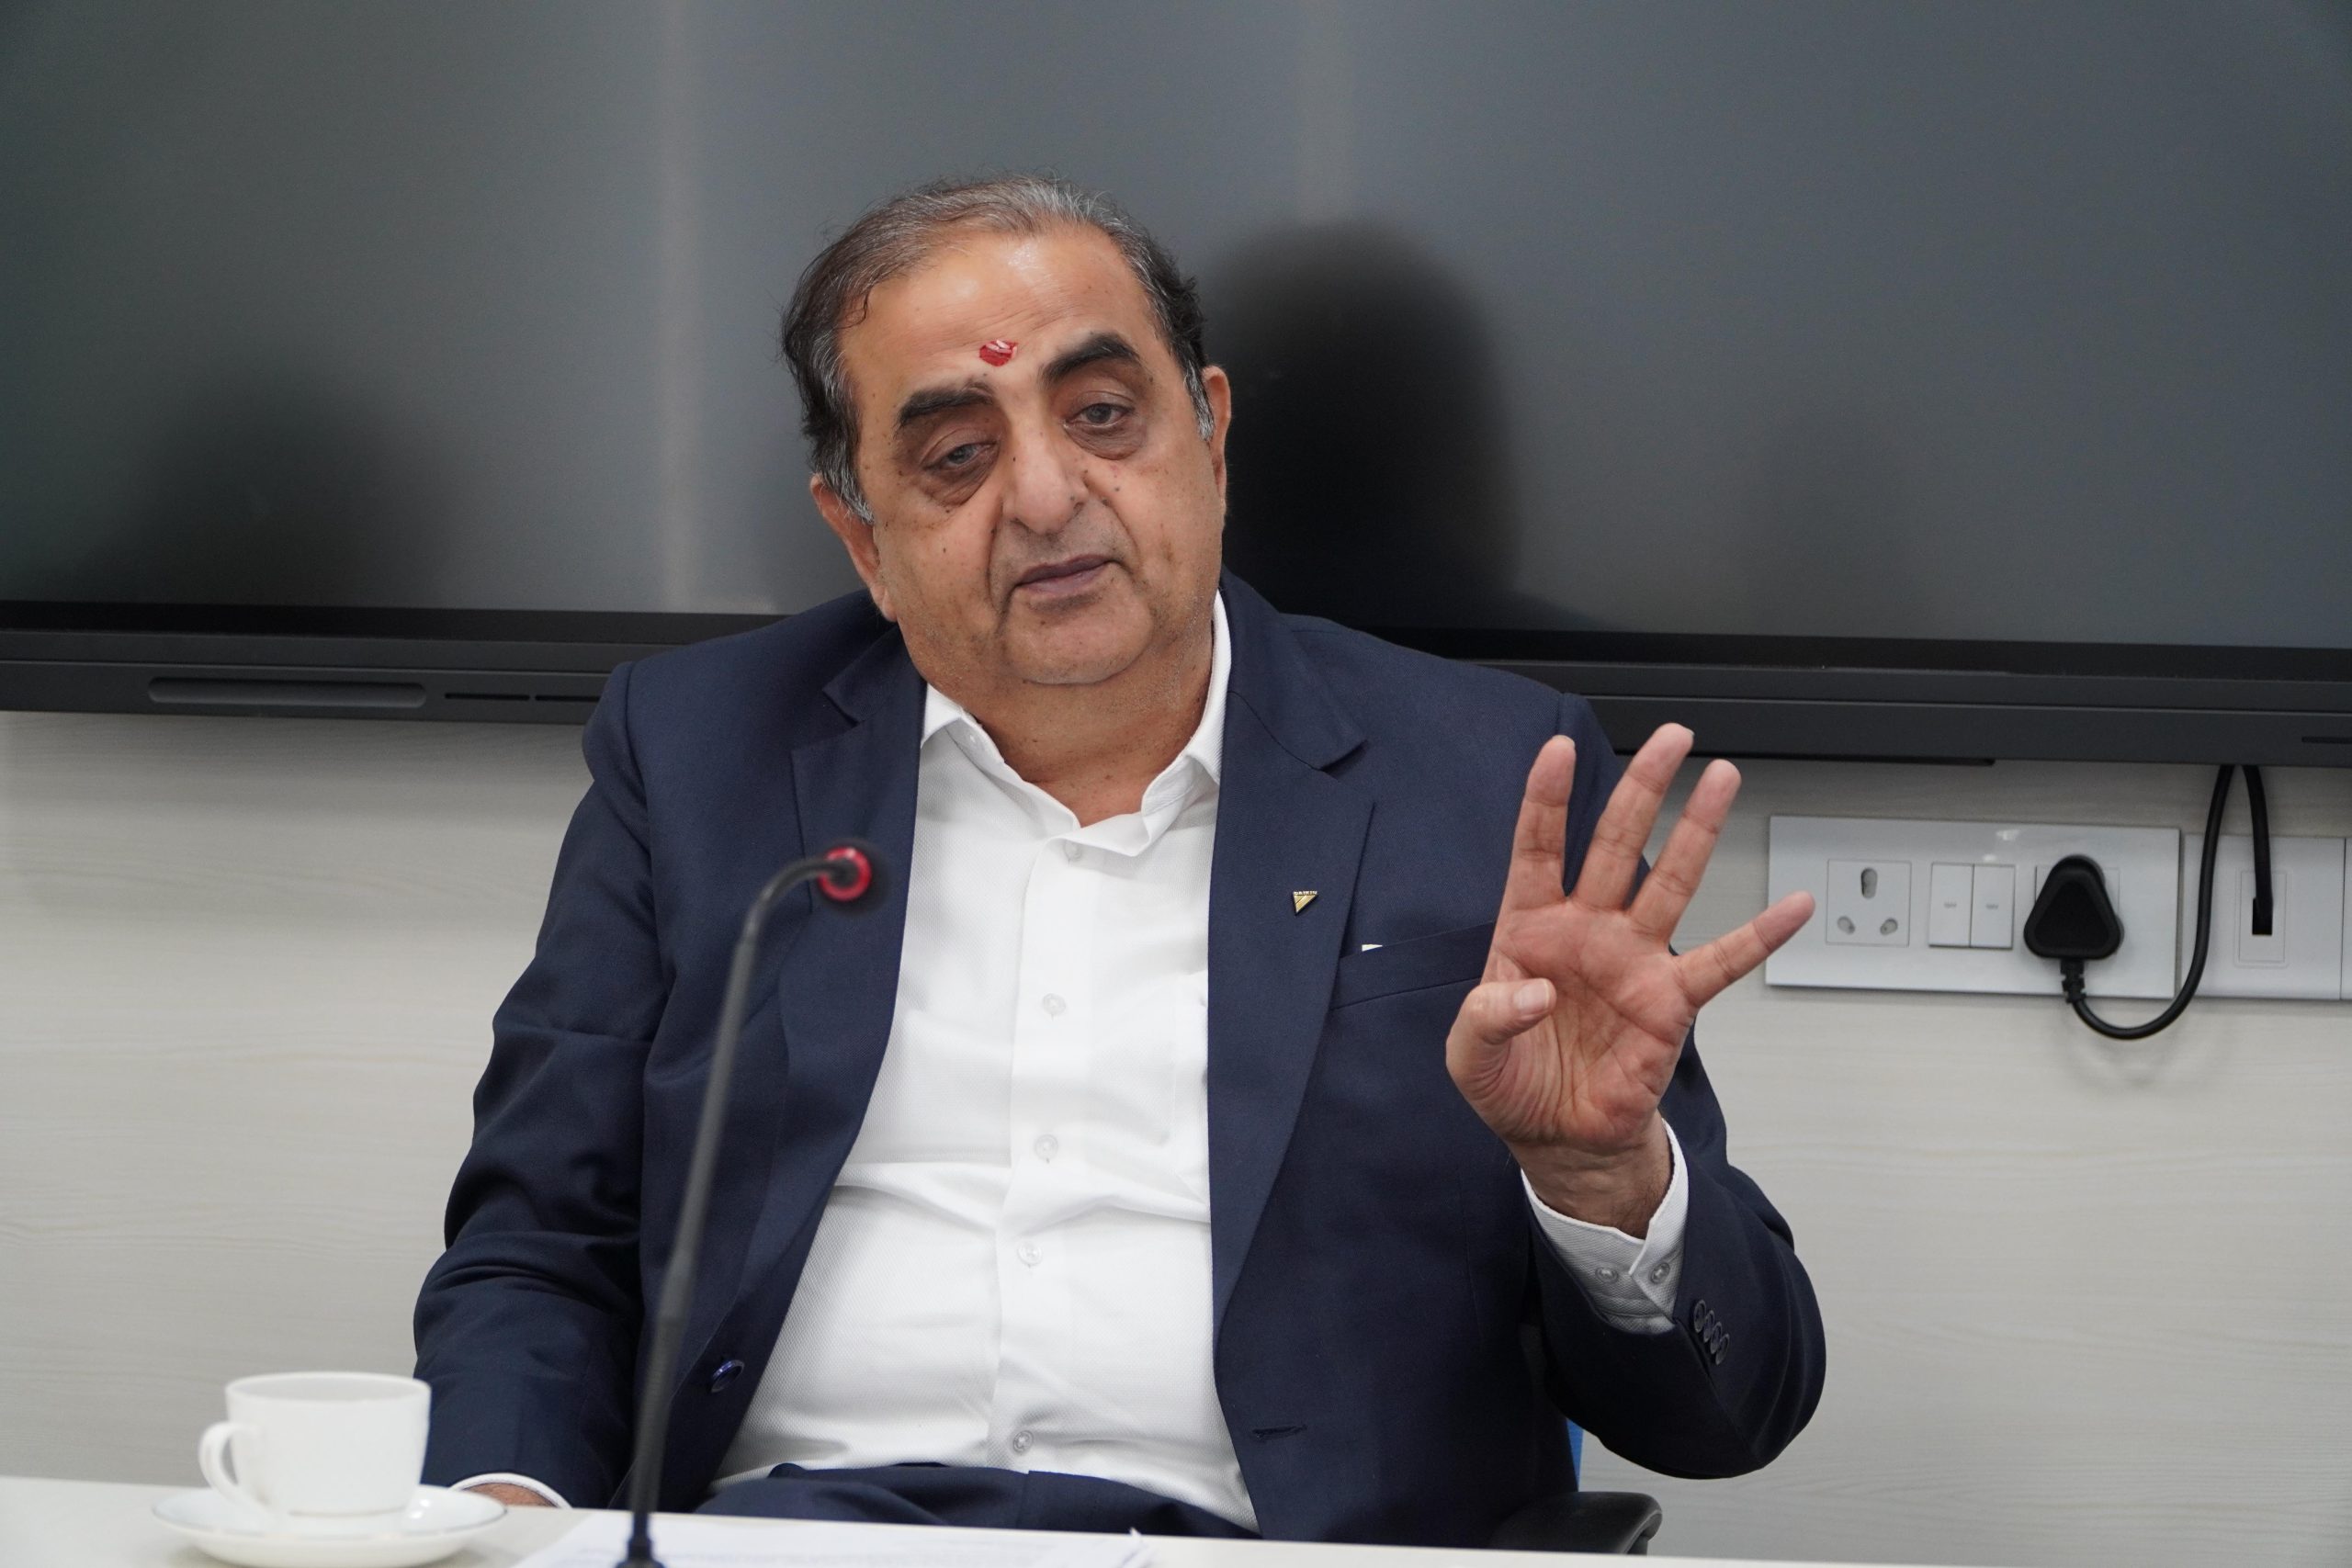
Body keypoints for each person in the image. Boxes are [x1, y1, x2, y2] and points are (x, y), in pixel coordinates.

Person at [413, 175, 1825, 1546]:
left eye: (1100, 414)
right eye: (956, 456)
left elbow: (1733, 1411)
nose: (1044, 495)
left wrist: (1599, 1179)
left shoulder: (1492, 782)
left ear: (1211, 439)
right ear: (863, 538)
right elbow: (543, 1242)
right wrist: (504, 1515)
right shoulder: (697, 757)